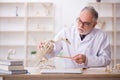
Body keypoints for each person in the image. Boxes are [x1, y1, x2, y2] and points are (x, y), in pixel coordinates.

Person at [37, 6, 111, 68]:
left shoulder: (101, 36)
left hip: (90, 76)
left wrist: (87, 60)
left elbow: (106, 60)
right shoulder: (66, 32)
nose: (80, 26)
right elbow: (53, 50)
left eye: (86, 23)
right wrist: (45, 49)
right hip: (70, 75)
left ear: (94, 24)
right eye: (79, 21)